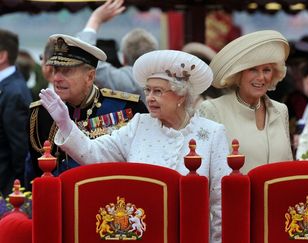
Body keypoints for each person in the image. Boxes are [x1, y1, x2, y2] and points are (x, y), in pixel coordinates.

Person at [39, 50, 230, 243]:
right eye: (148, 90)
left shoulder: (212, 134)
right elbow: (94, 153)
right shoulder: (140, 124)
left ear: (181, 95)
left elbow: (221, 203)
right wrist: (66, 124)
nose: (149, 98)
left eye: (158, 91)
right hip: (143, 236)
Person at [27, 34, 147, 183]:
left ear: (90, 77)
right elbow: (34, 174)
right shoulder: (40, 113)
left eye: (66, 71)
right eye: (55, 70)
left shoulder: (125, 107)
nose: (57, 78)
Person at [198, 30, 293, 173]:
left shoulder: (281, 111)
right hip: (235, 195)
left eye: (266, 70)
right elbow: (202, 167)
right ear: (238, 74)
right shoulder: (212, 109)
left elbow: (288, 165)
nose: (261, 77)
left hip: (277, 194)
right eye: (253, 70)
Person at [76, 0, 158, 101]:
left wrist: (95, 19)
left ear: (123, 58)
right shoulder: (166, 79)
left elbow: (85, 59)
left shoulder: (130, 81)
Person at [0, 29, 32, 196]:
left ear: (2, 56)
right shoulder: (7, 87)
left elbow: (20, 148)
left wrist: (15, 191)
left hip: (6, 187)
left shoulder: (14, 92)